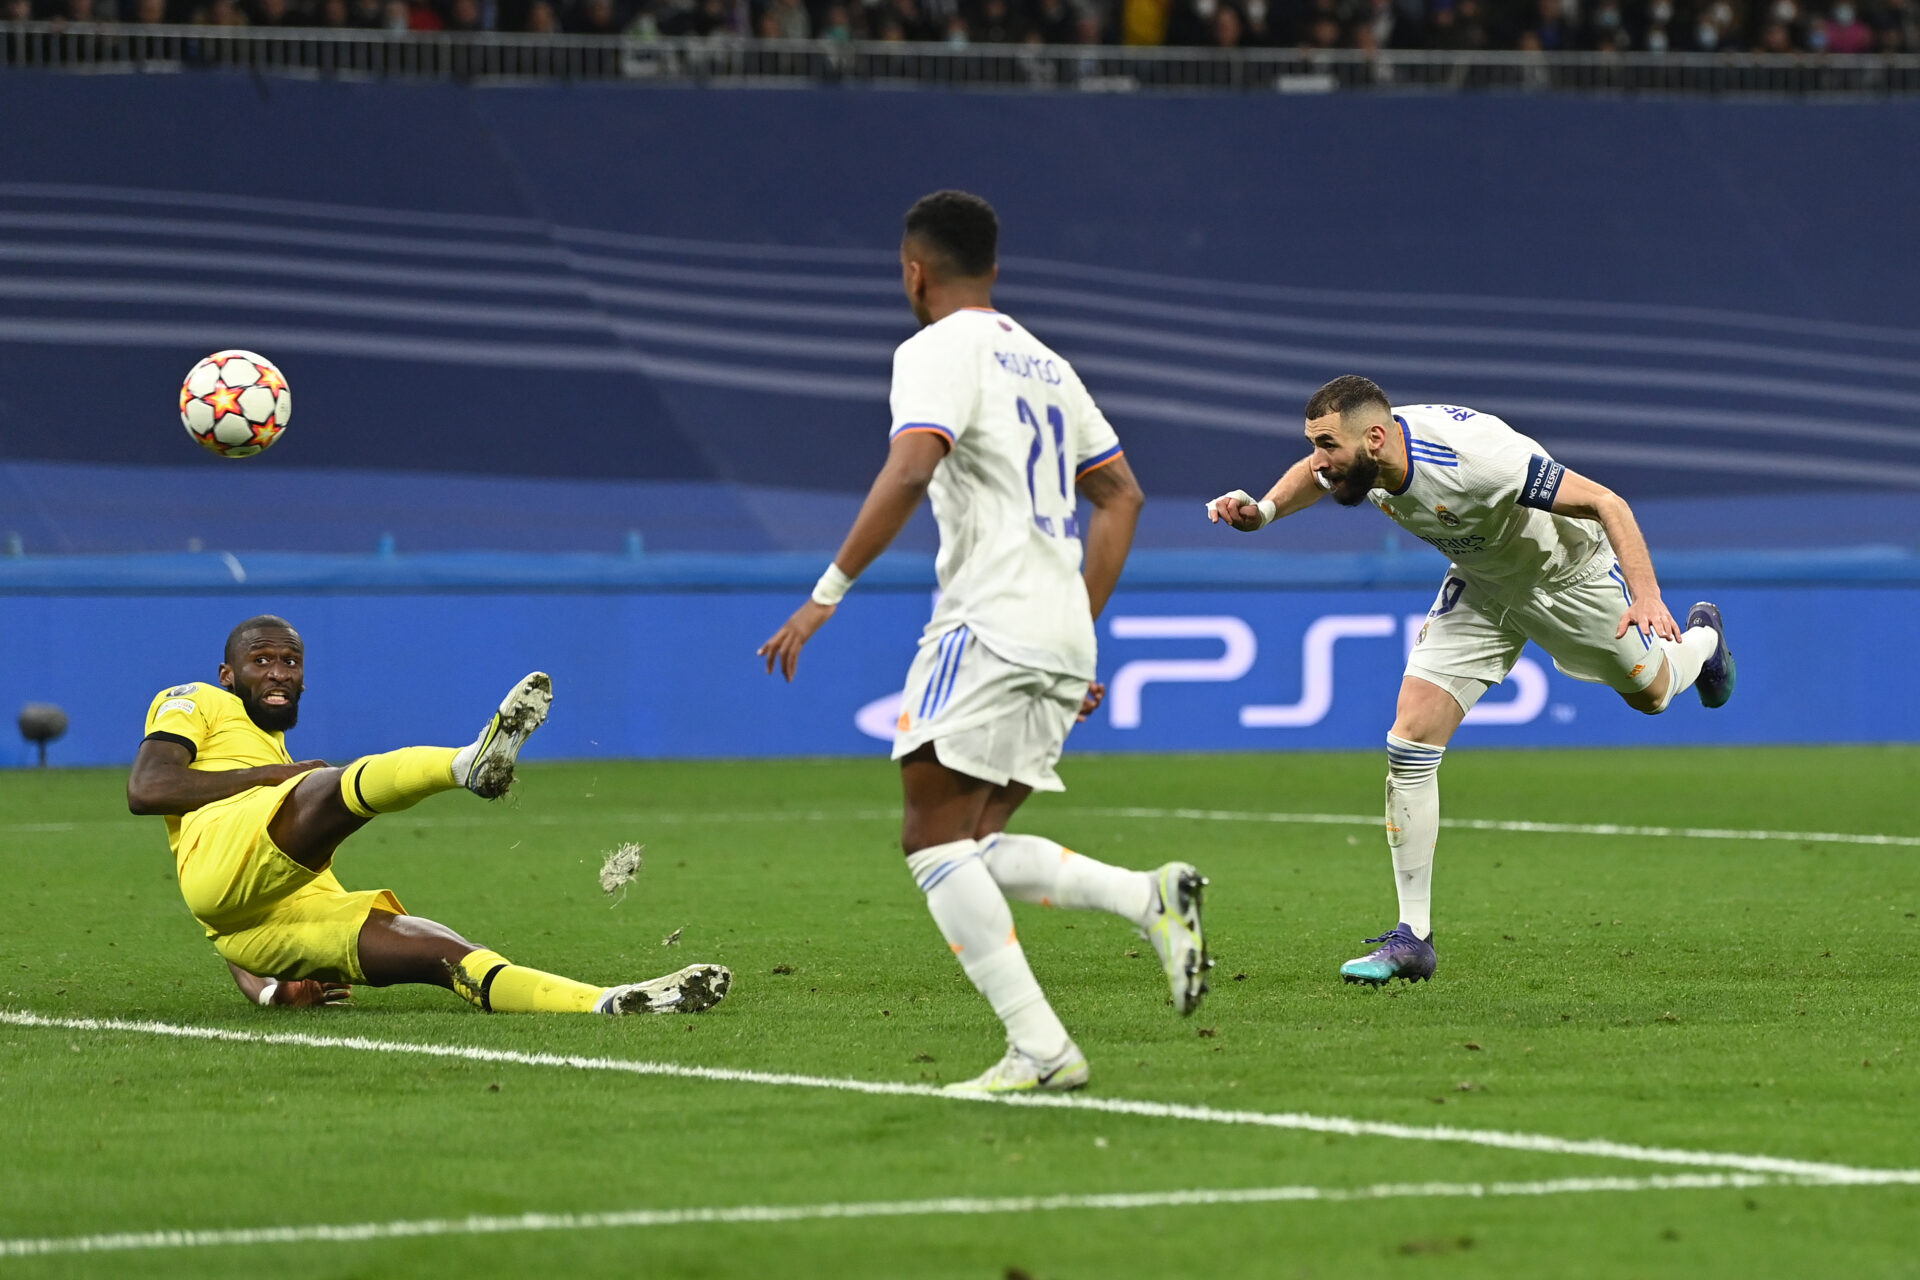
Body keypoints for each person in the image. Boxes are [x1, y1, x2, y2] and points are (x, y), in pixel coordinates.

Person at [758, 190, 1211, 1095]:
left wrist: (826, 594)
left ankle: (1041, 1048)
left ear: (914, 272)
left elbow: (911, 463)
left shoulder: (933, 350)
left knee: (931, 840)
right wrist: (1080, 625)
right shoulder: (1048, 364)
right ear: (994, 269)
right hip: (1056, 626)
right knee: (973, 836)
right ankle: (1144, 897)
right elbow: (1122, 496)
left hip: (990, 620)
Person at [1207, 376, 1734, 986]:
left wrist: (1646, 596)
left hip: (1567, 577)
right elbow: (1315, 474)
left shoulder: (1477, 460)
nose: (1319, 462)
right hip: (1483, 585)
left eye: (1328, 445)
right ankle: (1413, 939)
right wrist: (1266, 511)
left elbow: (1607, 503)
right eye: (1314, 444)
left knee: (1654, 694)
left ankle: (1707, 642)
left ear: (1374, 438)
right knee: (1410, 743)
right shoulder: (1363, 454)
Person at [128, 614, 730, 1015]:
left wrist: (270, 993)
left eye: (291, 662)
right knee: (327, 787)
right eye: (262, 661)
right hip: (224, 857)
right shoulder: (195, 700)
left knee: (442, 954)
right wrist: (277, 777)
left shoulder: (277, 754)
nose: (280, 673)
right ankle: (467, 765)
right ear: (228, 675)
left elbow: (226, 911)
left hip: (258, 924)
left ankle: (603, 1002)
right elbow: (147, 787)